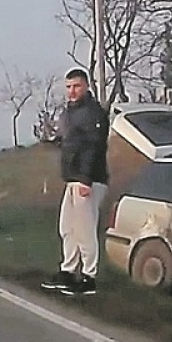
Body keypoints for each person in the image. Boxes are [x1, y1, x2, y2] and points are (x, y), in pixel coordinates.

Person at [41, 68, 110, 296]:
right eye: (69, 87)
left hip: (88, 179)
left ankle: (89, 276)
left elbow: (93, 147)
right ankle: (68, 270)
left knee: (84, 230)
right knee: (67, 228)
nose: (72, 91)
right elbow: (71, 142)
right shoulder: (70, 112)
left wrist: (85, 179)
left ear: (86, 86)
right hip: (72, 178)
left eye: (76, 86)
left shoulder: (93, 113)